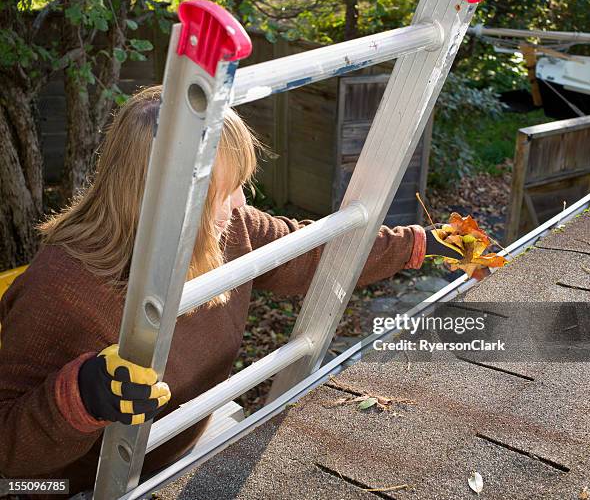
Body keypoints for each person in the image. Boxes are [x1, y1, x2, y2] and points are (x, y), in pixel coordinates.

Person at [0, 85, 457, 496]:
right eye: (226, 189)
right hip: (69, 487)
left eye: (240, 184)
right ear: (165, 198)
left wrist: (419, 243)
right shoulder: (59, 288)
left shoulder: (229, 229)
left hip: (176, 454)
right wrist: (79, 397)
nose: (241, 203)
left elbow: (314, 251)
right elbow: (7, 455)